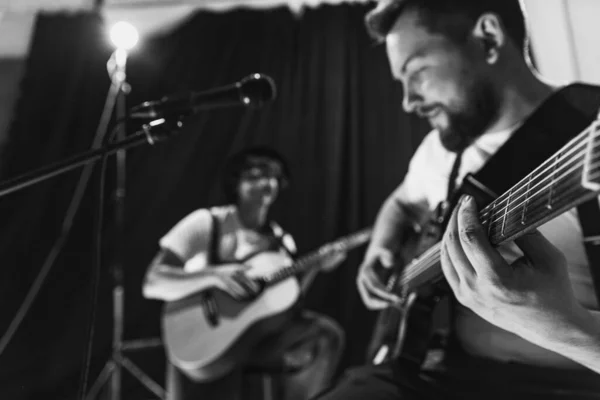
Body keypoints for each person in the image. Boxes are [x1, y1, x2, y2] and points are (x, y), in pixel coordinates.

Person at [314, 0, 600, 399]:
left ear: (488, 38)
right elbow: (401, 202)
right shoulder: (440, 147)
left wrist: (568, 328)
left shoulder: (588, 125)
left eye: (416, 72)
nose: (407, 101)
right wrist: (380, 248)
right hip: (437, 370)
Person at [143, 146, 347, 400]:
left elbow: (283, 304)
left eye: (273, 175)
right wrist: (214, 276)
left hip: (254, 341)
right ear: (236, 182)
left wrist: (315, 267)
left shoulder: (282, 241)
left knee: (325, 335)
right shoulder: (208, 223)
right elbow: (153, 282)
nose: (266, 181)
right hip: (203, 345)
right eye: (255, 174)